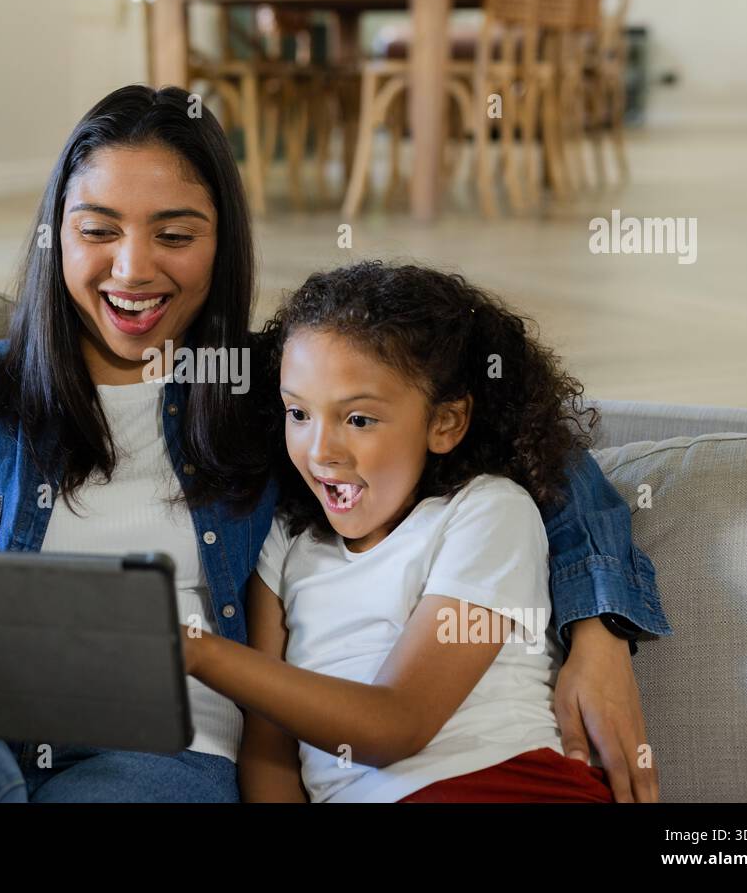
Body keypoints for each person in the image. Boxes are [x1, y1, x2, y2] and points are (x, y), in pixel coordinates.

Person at [0, 84, 670, 802]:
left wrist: (598, 629)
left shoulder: (274, 392)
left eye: (175, 233)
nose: (133, 270)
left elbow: (534, 455)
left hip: (163, 756)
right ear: (58, 238)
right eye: (98, 231)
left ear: (223, 243)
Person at [182, 261, 624, 802]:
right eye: (298, 412)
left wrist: (195, 653)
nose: (320, 450)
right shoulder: (286, 545)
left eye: (358, 419)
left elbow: (396, 724)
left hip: (505, 788)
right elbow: (269, 748)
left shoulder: (486, 513)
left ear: (445, 423)